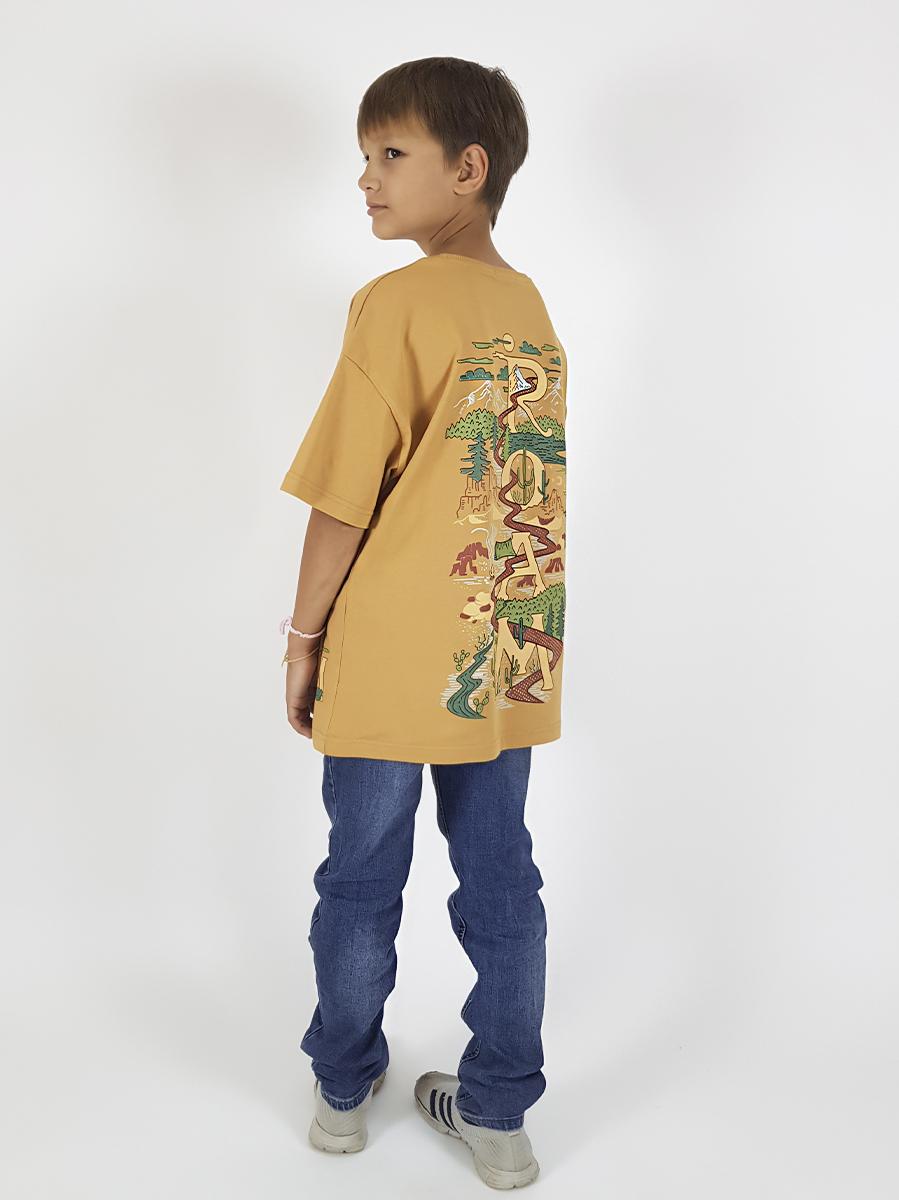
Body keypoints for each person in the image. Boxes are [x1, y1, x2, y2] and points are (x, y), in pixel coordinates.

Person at [278, 56, 566, 1189]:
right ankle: (499, 1115)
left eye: (390, 153)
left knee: (360, 875)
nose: (367, 177)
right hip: (508, 645)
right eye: (364, 155)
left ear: (468, 167)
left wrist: (303, 640)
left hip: (399, 649)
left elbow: (343, 498)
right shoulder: (529, 308)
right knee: (502, 881)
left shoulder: (395, 303)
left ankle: (344, 1092)